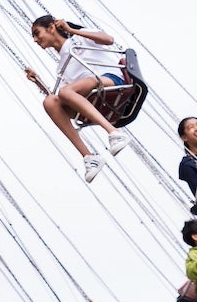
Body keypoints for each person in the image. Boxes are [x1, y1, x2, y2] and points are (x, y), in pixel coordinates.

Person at [23, 14, 135, 182]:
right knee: (49, 101)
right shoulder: (62, 67)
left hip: (111, 80)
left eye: (37, 33)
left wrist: (71, 30)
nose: (35, 39)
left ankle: (114, 133)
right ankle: (89, 157)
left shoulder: (79, 38)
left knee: (66, 91)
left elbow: (108, 40)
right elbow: (62, 101)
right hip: (92, 94)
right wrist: (38, 82)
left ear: (52, 28)